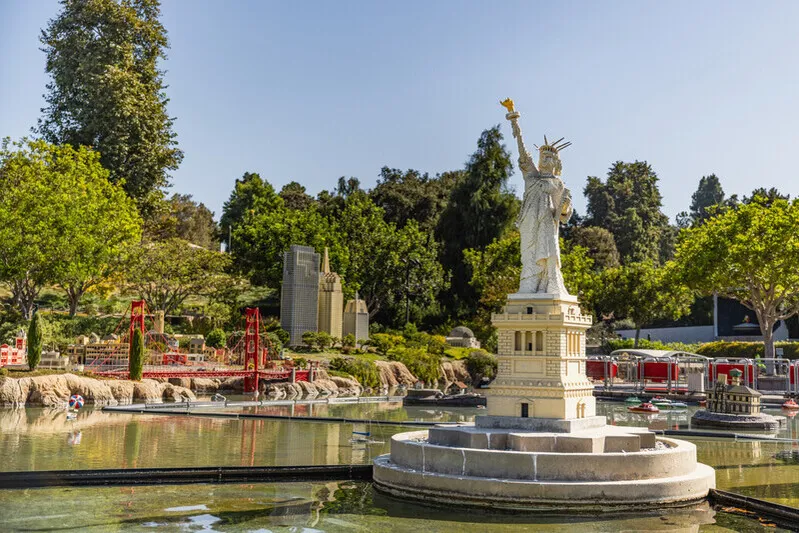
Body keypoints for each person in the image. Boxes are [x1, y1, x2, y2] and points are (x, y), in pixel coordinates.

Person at [502, 99, 573, 296]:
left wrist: (565, 206)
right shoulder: (531, 175)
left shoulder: (558, 183)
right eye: (542, 157)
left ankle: (549, 284)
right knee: (528, 252)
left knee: (550, 252)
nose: (544, 160)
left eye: (549, 157)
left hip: (548, 224)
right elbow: (523, 153)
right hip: (529, 222)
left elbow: (564, 212)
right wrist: (514, 120)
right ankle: (529, 284)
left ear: (556, 162)